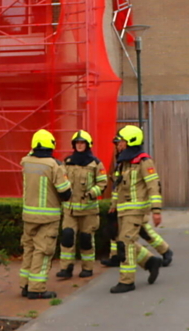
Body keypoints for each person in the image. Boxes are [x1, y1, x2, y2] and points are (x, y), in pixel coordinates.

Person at [109, 124, 163, 293]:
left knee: (125, 244)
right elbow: (118, 188)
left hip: (135, 210)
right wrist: (112, 207)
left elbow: (153, 186)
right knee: (124, 241)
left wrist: (156, 210)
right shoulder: (123, 163)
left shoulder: (144, 161)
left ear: (131, 141)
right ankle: (150, 261)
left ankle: (127, 282)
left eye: (122, 141)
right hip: (123, 210)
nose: (119, 144)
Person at [20, 129, 72, 299]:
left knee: (29, 249)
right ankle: (37, 288)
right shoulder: (54, 166)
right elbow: (65, 192)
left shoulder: (26, 162)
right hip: (48, 217)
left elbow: (30, 155)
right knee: (43, 252)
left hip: (29, 215)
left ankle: (25, 285)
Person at [56, 130, 108, 280]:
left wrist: (92, 192)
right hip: (70, 210)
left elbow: (103, 182)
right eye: (77, 143)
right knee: (67, 237)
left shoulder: (96, 163)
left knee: (86, 239)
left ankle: (87, 268)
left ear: (87, 145)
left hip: (88, 210)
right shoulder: (67, 162)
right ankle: (66, 268)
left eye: (82, 143)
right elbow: (61, 180)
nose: (79, 145)